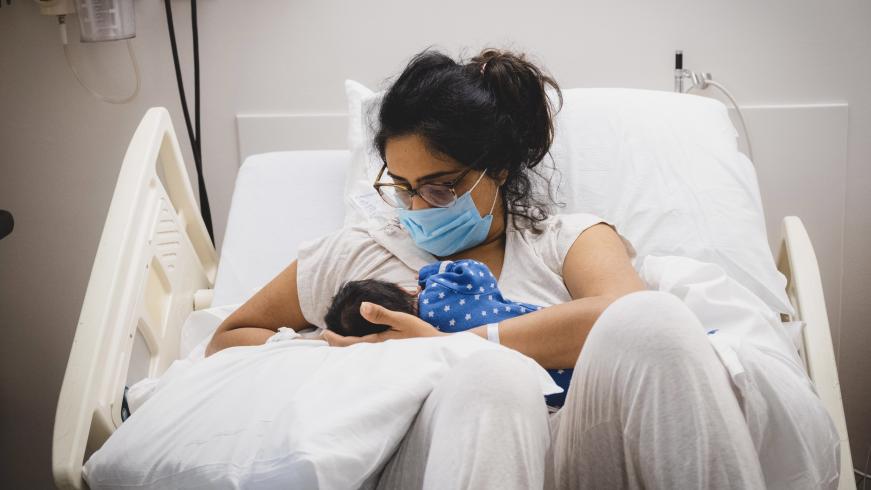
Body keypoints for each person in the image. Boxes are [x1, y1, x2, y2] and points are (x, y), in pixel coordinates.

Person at [206, 48, 838, 489]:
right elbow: (228, 338)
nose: (416, 205)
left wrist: (452, 344)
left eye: (441, 186)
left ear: (498, 171)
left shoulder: (564, 238)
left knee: (652, 321)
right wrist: (351, 357)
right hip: (425, 454)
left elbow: (617, 311)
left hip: (574, 451)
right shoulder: (355, 251)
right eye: (400, 185)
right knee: (491, 384)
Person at [325, 259, 572, 407]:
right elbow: (477, 271)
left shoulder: (413, 359)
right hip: (558, 339)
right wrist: (430, 274)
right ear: (406, 290)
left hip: (549, 392)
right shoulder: (440, 290)